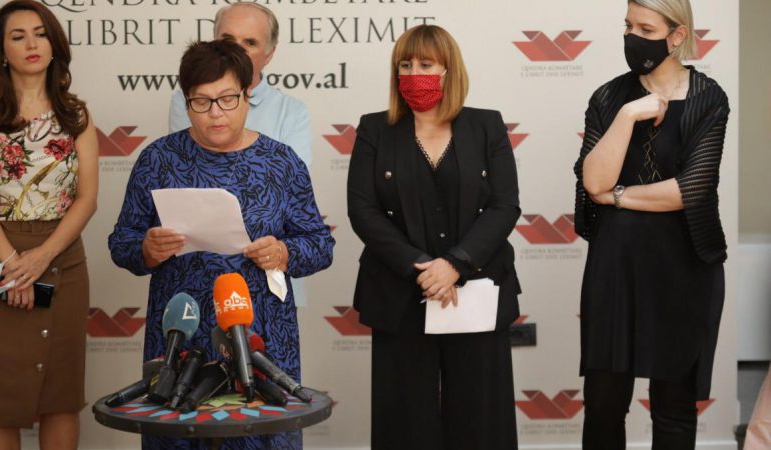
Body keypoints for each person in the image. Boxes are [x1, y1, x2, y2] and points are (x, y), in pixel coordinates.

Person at [108, 39, 334, 450]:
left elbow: (320, 244)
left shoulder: (282, 162)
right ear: (186, 102)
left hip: (262, 334)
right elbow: (121, 241)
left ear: (247, 95)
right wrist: (145, 250)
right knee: (177, 436)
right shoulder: (157, 160)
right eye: (202, 101)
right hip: (180, 332)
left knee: (259, 437)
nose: (215, 112)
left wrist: (284, 252)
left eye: (227, 99)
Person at [347, 25, 521, 450]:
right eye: (405, 65)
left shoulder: (486, 125)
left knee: (481, 423)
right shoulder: (374, 129)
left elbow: (504, 205)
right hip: (400, 294)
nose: (413, 74)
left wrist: (455, 264)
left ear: (448, 70)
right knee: (405, 425)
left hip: (476, 290)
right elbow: (363, 211)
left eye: (425, 64)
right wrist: (424, 269)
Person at [574, 0, 730, 448]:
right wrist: (629, 115)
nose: (632, 37)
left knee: (674, 406)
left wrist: (617, 196)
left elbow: (690, 190)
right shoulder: (609, 98)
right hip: (615, 265)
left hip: (683, 264)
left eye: (645, 28)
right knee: (603, 405)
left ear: (676, 36)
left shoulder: (708, 98)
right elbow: (593, 180)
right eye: (628, 26)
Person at [0, 1, 98, 449]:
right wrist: (13, 265)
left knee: (61, 395)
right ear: (1, 51)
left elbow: (87, 199)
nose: (32, 44)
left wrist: (41, 258)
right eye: (18, 36)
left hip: (61, 257)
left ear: (54, 45)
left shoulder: (77, 114)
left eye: (40, 33)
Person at [169, 2, 315, 310]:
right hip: (196, 276)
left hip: (267, 278)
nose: (237, 50)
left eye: (250, 42)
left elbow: (289, 196)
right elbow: (189, 180)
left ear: (269, 54)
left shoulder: (292, 112)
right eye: (228, 39)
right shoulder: (185, 101)